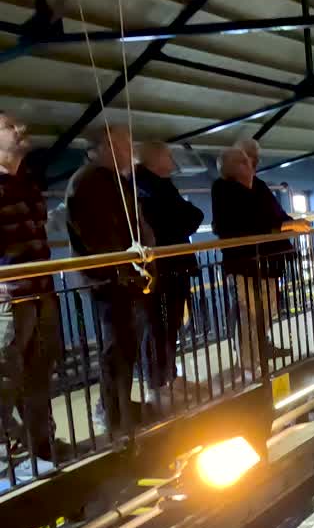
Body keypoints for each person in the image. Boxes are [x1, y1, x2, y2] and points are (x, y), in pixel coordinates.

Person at [66, 125, 156, 436]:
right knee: (117, 348)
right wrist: (126, 258)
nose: (130, 152)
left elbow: (136, 222)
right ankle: (111, 409)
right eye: (123, 145)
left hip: (125, 277)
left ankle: (119, 404)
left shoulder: (116, 181)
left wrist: (143, 249)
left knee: (126, 347)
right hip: (109, 281)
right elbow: (97, 234)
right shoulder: (88, 181)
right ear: (105, 147)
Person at [0, 112, 69, 473]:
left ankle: (42, 445)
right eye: (9, 127)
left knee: (39, 377)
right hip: (7, 300)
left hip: (40, 294)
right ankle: (9, 460)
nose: (21, 130)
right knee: (3, 380)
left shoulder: (26, 182)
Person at [212, 147, 308, 375]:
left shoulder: (260, 187)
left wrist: (292, 223)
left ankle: (257, 354)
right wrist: (282, 226)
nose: (250, 165)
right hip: (243, 262)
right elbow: (232, 226)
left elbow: (278, 213)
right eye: (244, 161)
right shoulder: (223, 189)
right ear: (231, 168)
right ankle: (248, 363)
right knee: (249, 313)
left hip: (269, 261)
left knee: (268, 308)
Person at [135, 142, 203, 406]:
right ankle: (157, 384)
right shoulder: (144, 185)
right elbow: (178, 218)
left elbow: (192, 216)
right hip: (160, 268)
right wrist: (181, 217)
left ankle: (169, 376)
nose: (173, 159)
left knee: (169, 325)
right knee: (157, 328)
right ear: (154, 159)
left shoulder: (162, 184)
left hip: (174, 266)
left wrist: (181, 217)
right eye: (167, 155)